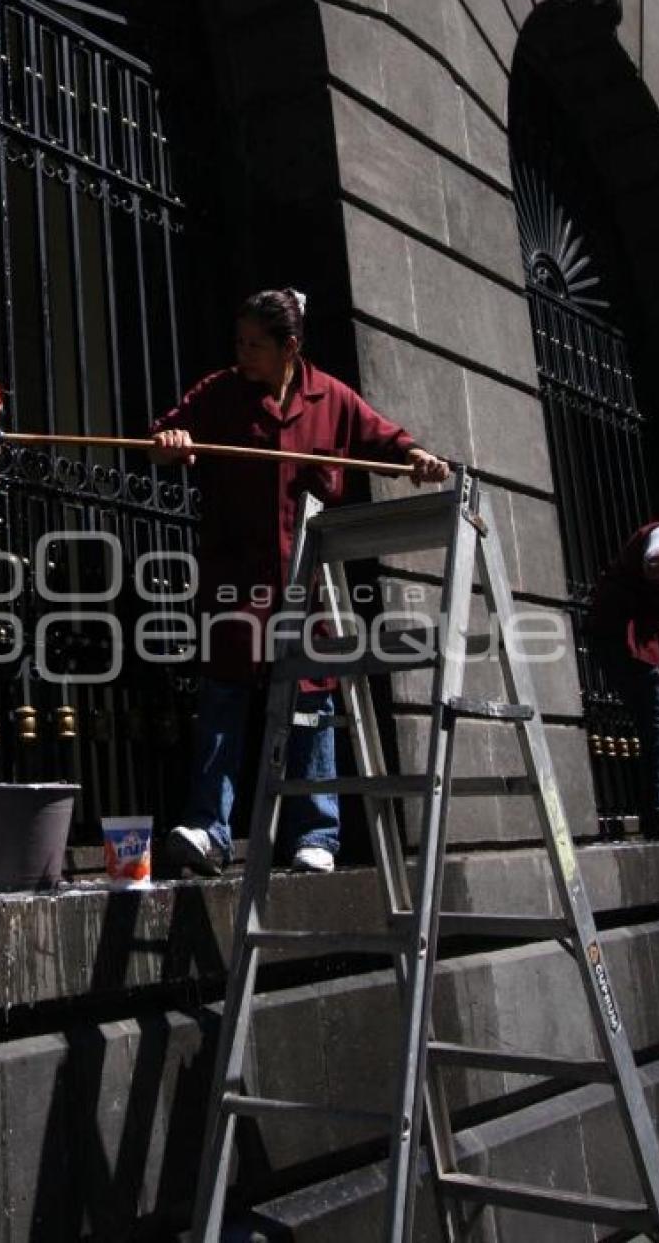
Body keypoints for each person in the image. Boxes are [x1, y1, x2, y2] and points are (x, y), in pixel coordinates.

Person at [150, 288, 449, 875]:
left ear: (289, 348)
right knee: (224, 697)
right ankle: (210, 830)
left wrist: (419, 456)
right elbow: (165, 436)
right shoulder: (219, 394)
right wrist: (173, 442)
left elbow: (386, 438)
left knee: (313, 700)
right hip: (237, 576)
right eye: (239, 342)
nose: (242, 353)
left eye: (254, 344)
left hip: (311, 579)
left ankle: (318, 833)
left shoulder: (330, 397)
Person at [589, 522, 659, 840]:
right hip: (623, 637)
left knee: (657, 718)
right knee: (658, 717)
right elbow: (655, 561)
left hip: (643, 642)